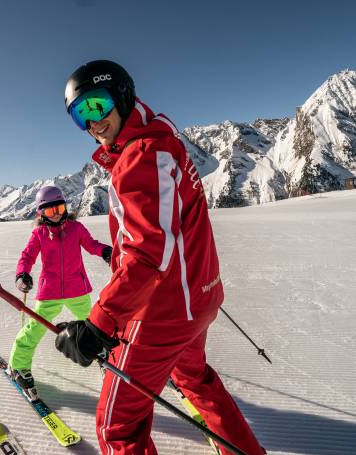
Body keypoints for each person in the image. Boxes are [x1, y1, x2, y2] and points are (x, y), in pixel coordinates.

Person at [55, 60, 266, 455]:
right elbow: (168, 233)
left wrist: (100, 324)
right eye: (80, 115)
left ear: (121, 96)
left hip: (160, 314)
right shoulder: (163, 143)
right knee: (194, 378)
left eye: (97, 106)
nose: (93, 124)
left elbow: (148, 255)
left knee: (118, 427)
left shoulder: (141, 156)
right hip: (198, 299)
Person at [7, 185, 112, 399]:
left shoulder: (76, 228)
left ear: (65, 208)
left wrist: (105, 251)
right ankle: (18, 366)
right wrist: (22, 275)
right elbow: (27, 256)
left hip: (77, 288)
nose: (55, 214)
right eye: (48, 211)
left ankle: (104, 356)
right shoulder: (39, 234)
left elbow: (91, 244)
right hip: (50, 292)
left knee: (94, 326)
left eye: (59, 208)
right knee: (34, 329)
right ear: (40, 213)